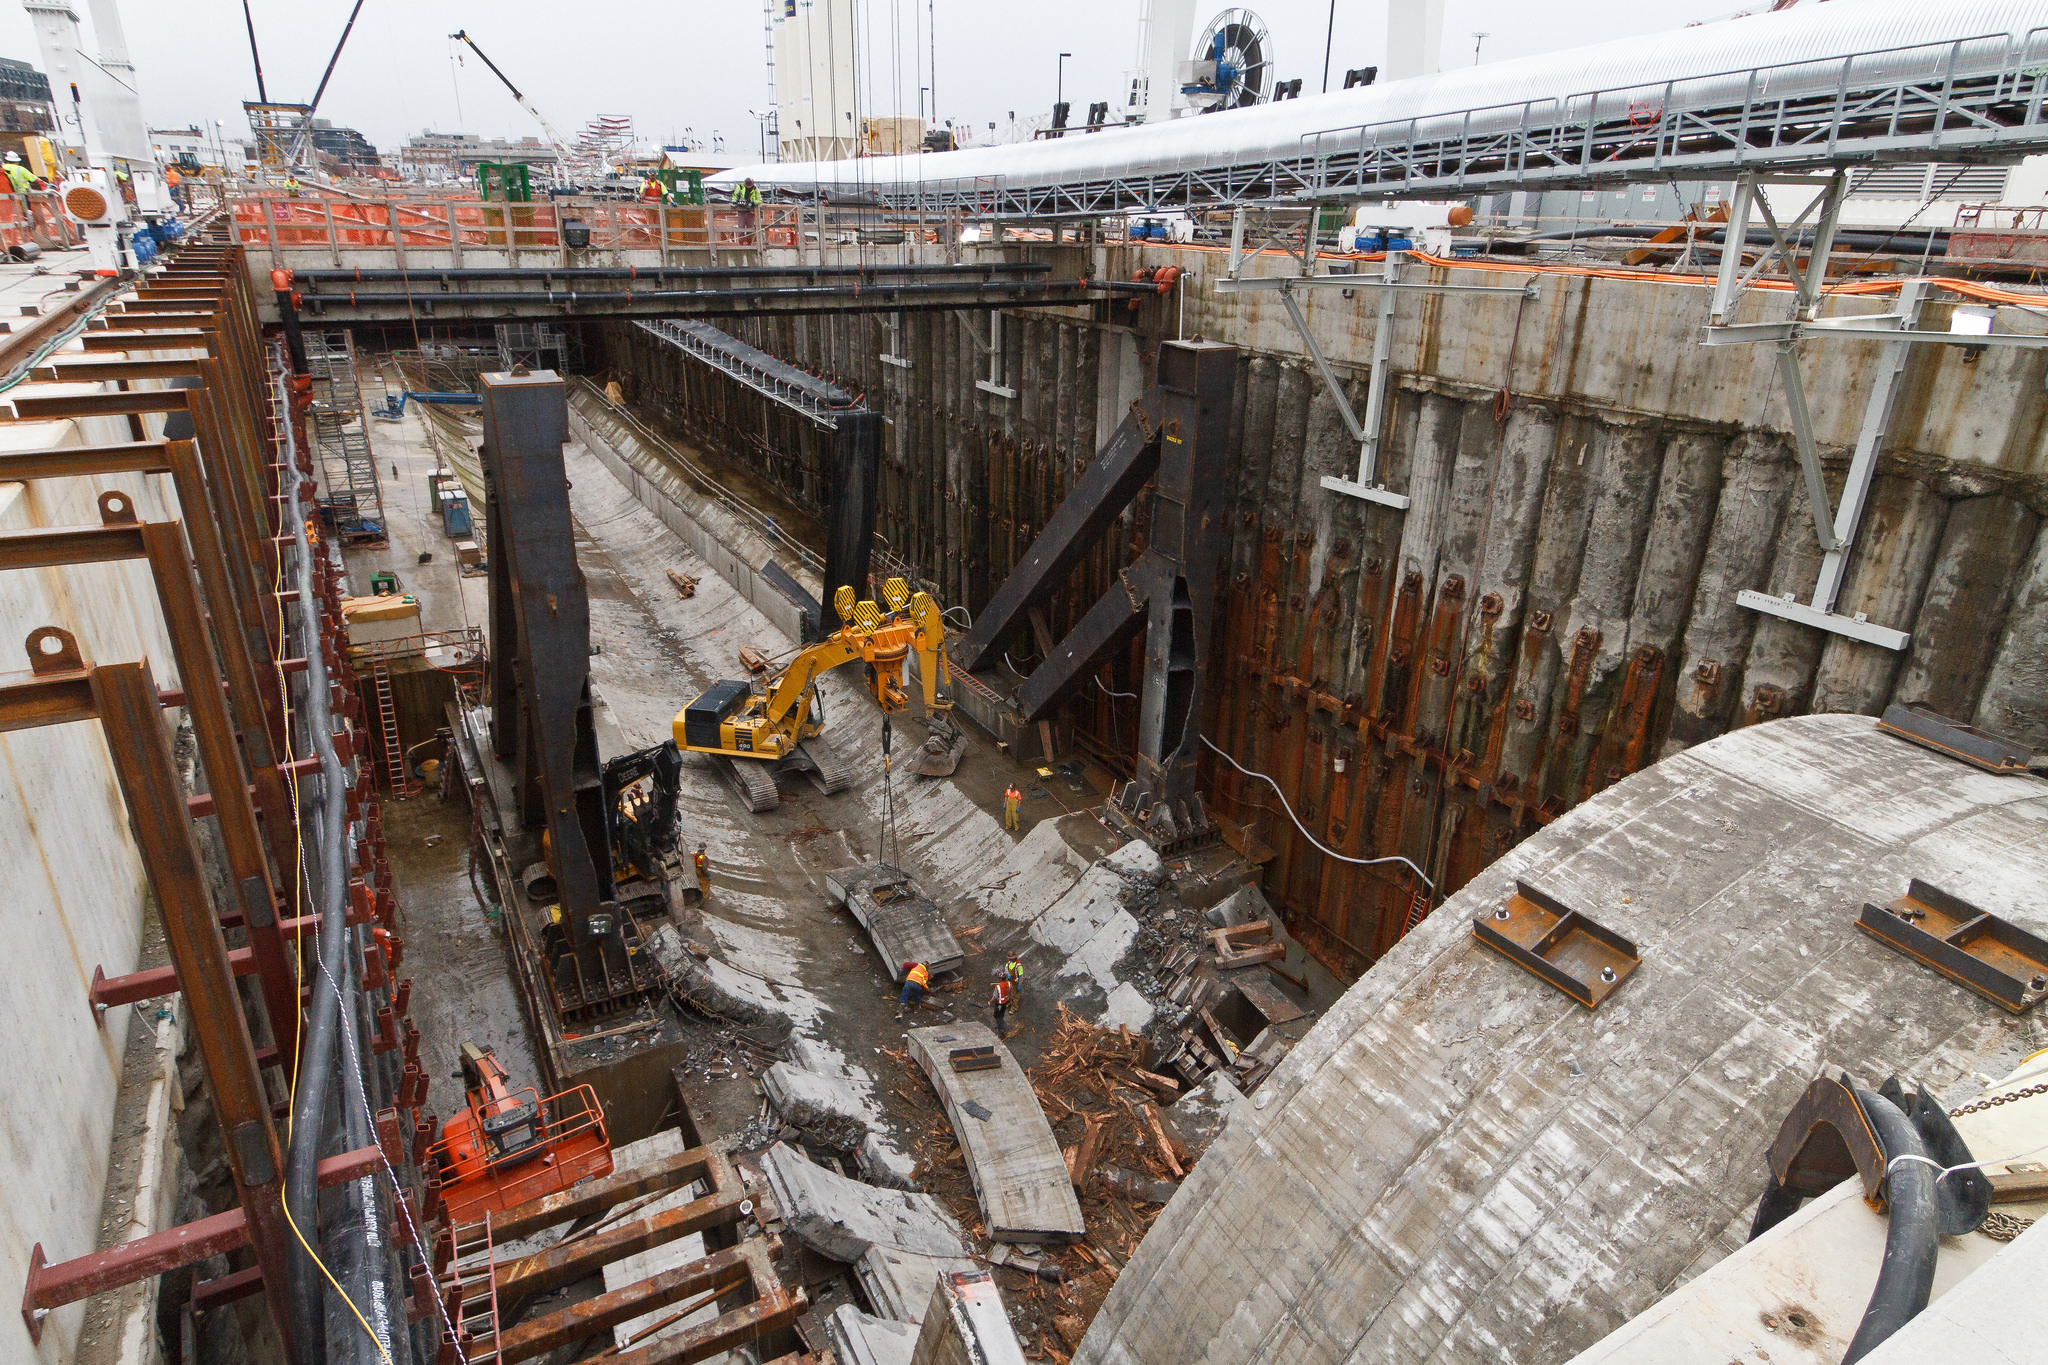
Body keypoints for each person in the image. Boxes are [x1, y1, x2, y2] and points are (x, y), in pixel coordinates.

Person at [990, 970, 1016, 1039]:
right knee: (1001, 1014)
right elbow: (1011, 993)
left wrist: (990, 1001)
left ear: (1000, 979)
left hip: (999, 1004)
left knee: (997, 1016)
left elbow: (994, 997)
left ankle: (1002, 1030)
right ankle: (1001, 1027)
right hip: (1005, 1002)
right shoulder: (1009, 984)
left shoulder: (998, 987)